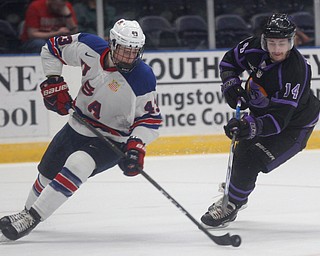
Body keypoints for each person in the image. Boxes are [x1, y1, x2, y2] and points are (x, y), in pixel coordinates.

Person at [0, 18, 162, 241]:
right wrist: (53, 80)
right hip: (77, 125)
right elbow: (52, 48)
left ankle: (30, 218)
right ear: (112, 43)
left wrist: (135, 145)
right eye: (125, 51)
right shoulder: (90, 47)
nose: (130, 57)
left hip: (113, 140)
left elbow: (150, 119)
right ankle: (26, 213)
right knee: (46, 173)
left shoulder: (143, 77)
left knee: (78, 163)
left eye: (134, 52)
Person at [200, 13, 320, 228]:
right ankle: (236, 192)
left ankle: (232, 203)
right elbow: (229, 62)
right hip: (263, 112)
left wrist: (248, 126)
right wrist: (231, 85)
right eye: (272, 42)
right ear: (264, 40)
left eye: (282, 43)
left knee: (250, 159)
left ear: (291, 41)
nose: (276, 49)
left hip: (294, 126)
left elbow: (278, 121)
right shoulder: (253, 47)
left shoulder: (296, 70)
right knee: (242, 155)